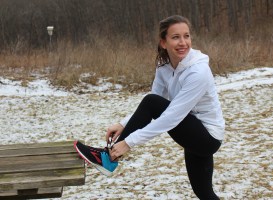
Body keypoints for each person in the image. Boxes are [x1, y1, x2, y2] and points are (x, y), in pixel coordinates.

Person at [74, 15, 225, 199]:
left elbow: (171, 116)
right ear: (164, 42)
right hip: (192, 131)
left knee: (152, 102)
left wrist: (128, 142)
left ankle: (107, 158)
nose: (183, 42)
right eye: (176, 37)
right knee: (204, 192)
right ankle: (108, 157)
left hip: (207, 137)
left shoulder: (198, 72)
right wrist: (123, 124)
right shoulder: (164, 68)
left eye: (186, 36)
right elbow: (150, 107)